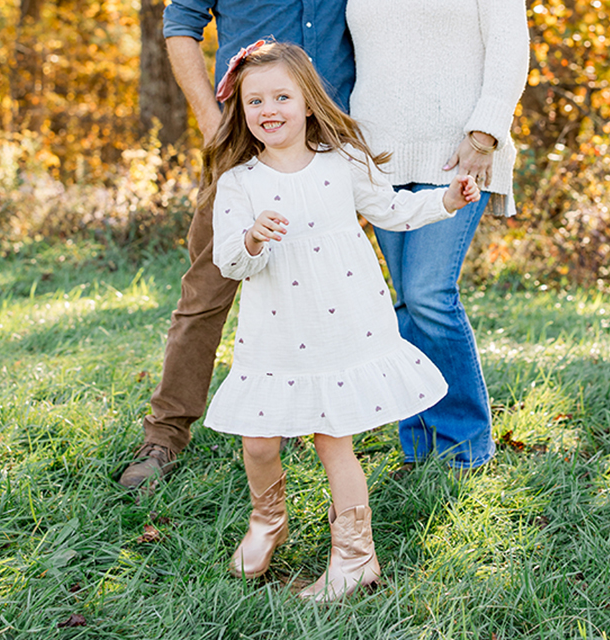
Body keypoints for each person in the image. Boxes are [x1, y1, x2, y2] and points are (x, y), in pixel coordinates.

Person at [119, 0, 355, 490]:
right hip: (245, 141)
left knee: (346, 284)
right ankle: (165, 435)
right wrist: (213, 122)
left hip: (335, 141)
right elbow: (180, 25)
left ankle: (351, 419)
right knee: (210, 283)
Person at [201, 40, 479, 599]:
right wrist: (253, 237)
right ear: (242, 110)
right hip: (275, 330)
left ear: (309, 101)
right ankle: (267, 522)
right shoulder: (239, 183)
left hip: (340, 322)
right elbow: (228, 259)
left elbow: (394, 212)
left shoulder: (342, 164)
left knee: (334, 440)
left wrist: (445, 201)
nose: (268, 109)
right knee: (257, 439)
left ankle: (356, 555)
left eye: (282, 95)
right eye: (255, 100)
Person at [346, 0, 529, 473]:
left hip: (457, 148)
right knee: (401, 303)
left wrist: (485, 132)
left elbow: (510, 39)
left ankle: (466, 447)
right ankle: (419, 443)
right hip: (378, 153)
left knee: (429, 295)